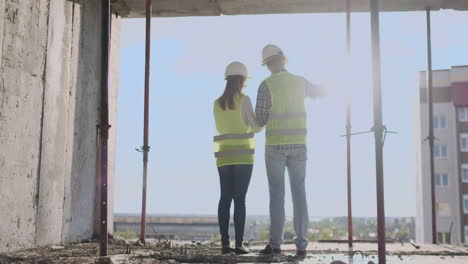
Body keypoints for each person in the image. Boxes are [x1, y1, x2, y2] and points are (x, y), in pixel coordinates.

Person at [256, 44, 326, 257]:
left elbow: (260, 120)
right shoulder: (300, 82)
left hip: (275, 147)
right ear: (283, 59)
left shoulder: (266, 85)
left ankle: (275, 244)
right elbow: (319, 92)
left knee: (277, 195)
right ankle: (301, 246)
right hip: (298, 146)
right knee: (300, 194)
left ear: (267, 64)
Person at [213, 62, 263, 255]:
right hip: (243, 155)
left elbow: (220, 127)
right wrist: (254, 125)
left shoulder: (217, 103)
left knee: (224, 198)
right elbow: (256, 127)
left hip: (223, 156)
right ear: (242, 80)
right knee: (239, 199)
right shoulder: (244, 100)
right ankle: (239, 244)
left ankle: (225, 244)